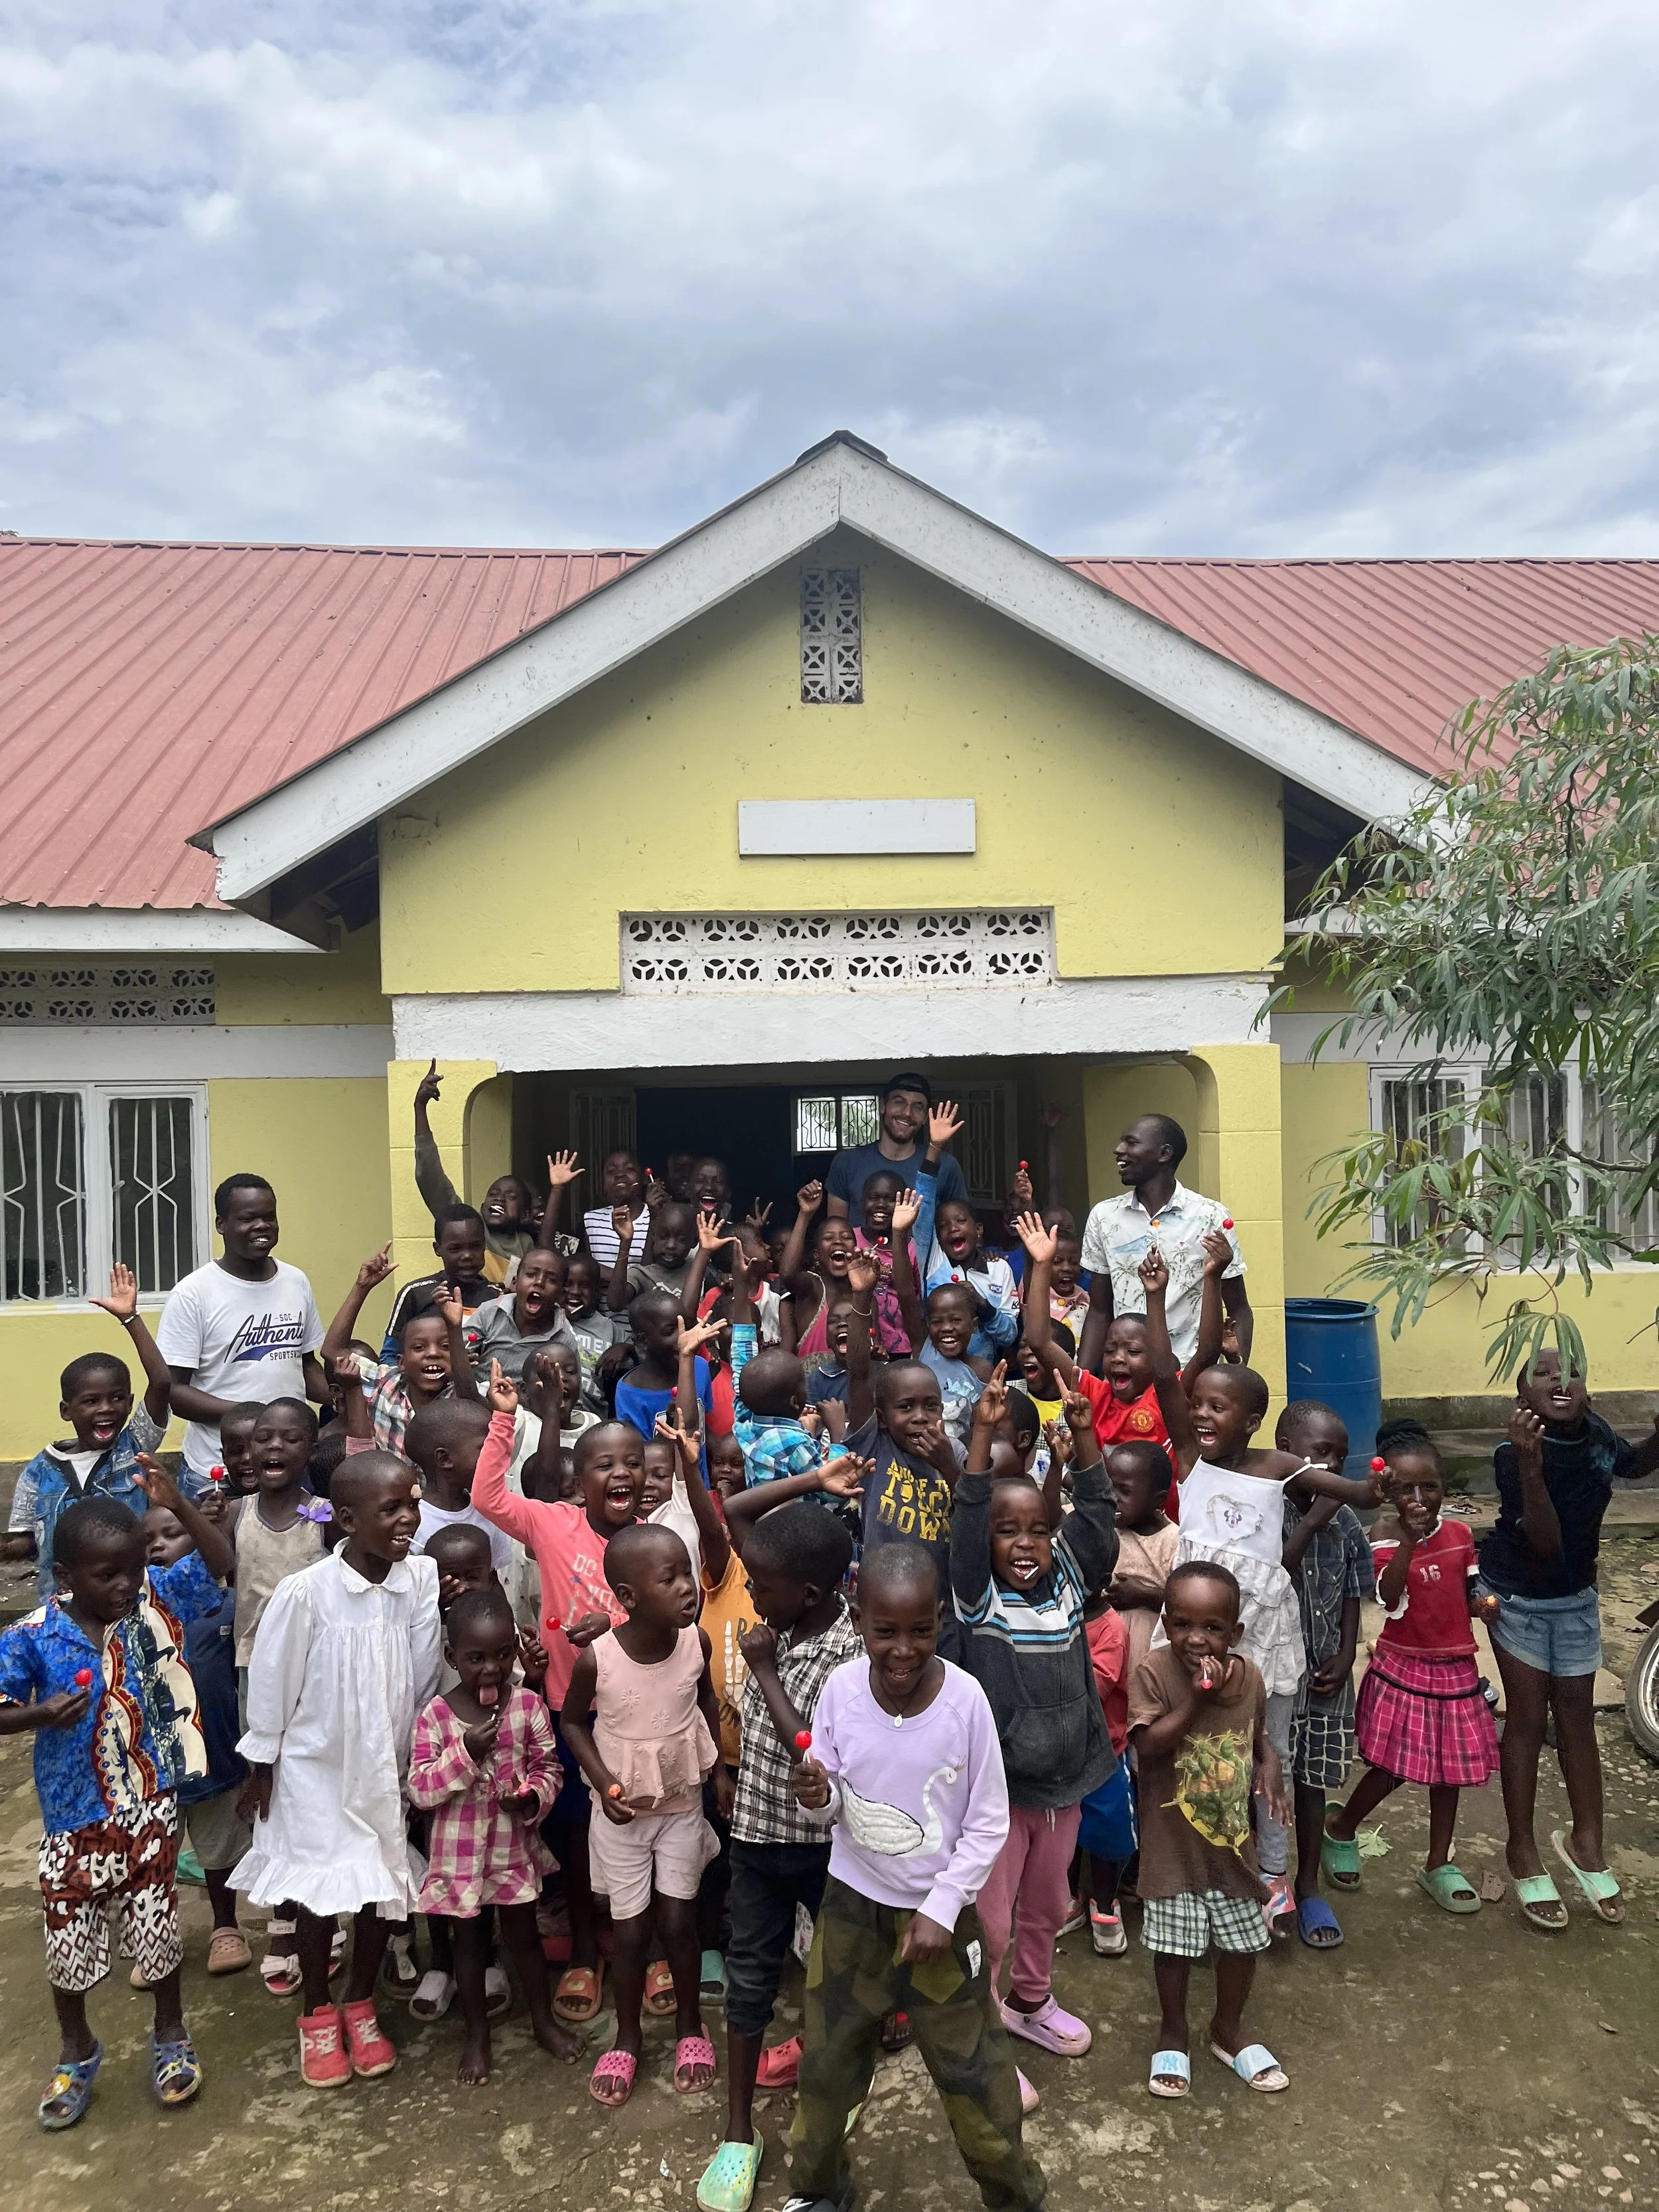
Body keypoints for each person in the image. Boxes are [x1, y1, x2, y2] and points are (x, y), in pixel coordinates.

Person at [786, 1542, 1045, 2212]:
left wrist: (941, 1906)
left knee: (976, 2077)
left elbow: (988, 1823)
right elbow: (837, 1793)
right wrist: (821, 1796)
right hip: (850, 1908)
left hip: (939, 1918)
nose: (902, 1649)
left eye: (920, 1631)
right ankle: (817, 2190)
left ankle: (1014, 2197)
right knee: (827, 2065)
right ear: (858, 1617)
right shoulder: (841, 1690)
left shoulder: (966, 1704)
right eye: (884, 1632)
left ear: (938, 1619)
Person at [1143, 1248, 1379, 1931]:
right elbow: (1164, 1372)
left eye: (1220, 1406)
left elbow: (1352, 1490)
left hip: (1262, 1636)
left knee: (1265, 1751)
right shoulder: (1187, 1460)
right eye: (1198, 1406)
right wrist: (1163, 1297)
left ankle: (1273, 1878)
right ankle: (1194, 1865)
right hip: (1191, 1626)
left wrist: (1377, 1489)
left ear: (1250, 1419)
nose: (1203, 1415)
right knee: (1194, 1745)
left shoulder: (1278, 1467)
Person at [0, 1463, 234, 2128]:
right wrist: (38, 1717)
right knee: (67, 1941)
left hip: (152, 1806)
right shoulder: (34, 1636)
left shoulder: (156, 1601)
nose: (126, 1584)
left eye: (133, 1568)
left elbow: (221, 1561)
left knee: (156, 1929)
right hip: (74, 1823)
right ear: (67, 1578)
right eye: (108, 1575)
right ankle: (77, 2049)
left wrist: (178, 1507)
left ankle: (170, 2033)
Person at [232, 1452, 443, 2088]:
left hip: (386, 1762)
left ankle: (360, 2001)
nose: (408, 1518)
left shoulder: (421, 1579)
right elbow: (272, 1681)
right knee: (321, 1893)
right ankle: (317, 2007)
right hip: (316, 1767)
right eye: (392, 1509)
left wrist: (417, 1757)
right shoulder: (308, 1592)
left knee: (383, 1885)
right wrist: (262, 1764)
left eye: (413, 1503)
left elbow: (425, 1671)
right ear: (347, 1519)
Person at [952, 1368, 1118, 2106]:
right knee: (991, 1921)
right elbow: (965, 1521)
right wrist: (982, 1437)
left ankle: (1029, 2002)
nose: (1025, 1543)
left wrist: (1084, 1436)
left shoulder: (1070, 1582)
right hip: (999, 1793)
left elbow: (1099, 1519)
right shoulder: (975, 1594)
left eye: (1038, 1530)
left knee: (1049, 1907)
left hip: (1067, 1782)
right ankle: (985, 2037)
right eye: (1007, 1530)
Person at [694, 1495, 863, 2212]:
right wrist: (726, 1772)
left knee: (834, 1985)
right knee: (750, 1977)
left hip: (828, 1850)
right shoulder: (778, 1627)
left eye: (762, 1588)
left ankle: (825, 2117)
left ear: (813, 1594)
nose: (754, 1598)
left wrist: (763, 1669)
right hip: (758, 1840)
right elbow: (747, 1725)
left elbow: (813, 1751)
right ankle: (738, 2131)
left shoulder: (849, 1656)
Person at [469, 1366, 647, 2026]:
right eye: (605, 1463)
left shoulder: (653, 1541)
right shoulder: (551, 1524)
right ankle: (583, 1947)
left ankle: (642, 1940)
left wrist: (617, 1625)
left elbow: (673, 1621)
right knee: (573, 1831)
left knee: (641, 1825)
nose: (620, 1473)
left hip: (637, 1712)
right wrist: (504, 1418)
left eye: (632, 1461)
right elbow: (487, 1496)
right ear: (581, 1479)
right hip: (566, 1711)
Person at [1477, 1352, 1659, 1931]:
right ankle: (1522, 1850)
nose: (1560, 1381)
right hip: (1518, 1597)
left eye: (1572, 1371)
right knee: (1529, 1720)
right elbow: (1545, 1546)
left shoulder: (1598, 1433)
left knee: (1578, 1717)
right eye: (1543, 1373)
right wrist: (1532, 1467)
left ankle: (1588, 1843)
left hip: (1576, 1597)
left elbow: (1631, 1466)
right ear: (1521, 1395)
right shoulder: (1512, 1454)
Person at [561, 1521, 733, 2108]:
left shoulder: (696, 1643)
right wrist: (604, 1783)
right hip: (622, 1816)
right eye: (671, 1578)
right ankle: (628, 2034)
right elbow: (572, 1723)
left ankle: (690, 2026)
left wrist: (718, 1771)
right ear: (629, 1598)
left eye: (688, 1572)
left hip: (682, 1805)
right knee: (632, 1931)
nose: (689, 1587)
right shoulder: (597, 1660)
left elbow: (703, 1701)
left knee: (680, 1924)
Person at [406, 1585, 584, 2083]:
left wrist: (530, 1796)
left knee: (524, 1938)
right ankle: (477, 2035)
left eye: (503, 1655)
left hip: (512, 1851)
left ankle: (543, 2021)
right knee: (470, 1945)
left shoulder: (527, 1706)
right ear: (452, 1656)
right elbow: (419, 1789)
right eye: (476, 1658)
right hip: (459, 1859)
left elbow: (549, 1767)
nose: (491, 1669)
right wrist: (464, 1751)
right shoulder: (437, 1717)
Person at [1323, 1430, 1500, 1918]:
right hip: (1406, 1665)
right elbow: (1389, 1597)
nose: (1419, 1499)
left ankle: (1439, 1861)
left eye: (1430, 1487)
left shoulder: (1462, 1536)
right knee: (1394, 1767)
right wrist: (1409, 1541)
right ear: (1386, 1491)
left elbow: (1468, 1589)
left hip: (1456, 1667)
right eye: (1406, 1489)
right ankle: (1341, 1827)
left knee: (1452, 1771)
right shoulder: (1382, 1534)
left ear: (1444, 1487)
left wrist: (1483, 1604)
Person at [1131, 1562, 1289, 2099]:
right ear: (1166, 1621)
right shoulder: (1154, 1671)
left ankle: (1227, 2027)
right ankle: (1172, 2029)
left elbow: (1257, 1733)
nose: (1195, 1638)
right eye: (1181, 1624)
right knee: (1174, 1948)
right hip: (1172, 1843)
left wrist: (1271, 1764)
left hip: (1231, 1842)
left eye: (1212, 1627)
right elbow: (1148, 1747)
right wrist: (1196, 1697)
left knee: (1242, 1942)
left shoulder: (1250, 1677)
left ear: (1235, 1633)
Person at [7, 1264, 172, 1593]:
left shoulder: (134, 1448)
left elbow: (163, 1382)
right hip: (62, 1610)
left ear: (130, 1403)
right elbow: (24, 1543)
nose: (106, 1409)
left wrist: (131, 1319)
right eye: (91, 1401)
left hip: (130, 1597)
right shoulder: (39, 1472)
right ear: (66, 1411)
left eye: (116, 1399)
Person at [156, 1174, 326, 1493]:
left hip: (289, 1467)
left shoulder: (296, 1281)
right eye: (248, 1218)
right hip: (217, 1473)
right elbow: (174, 1392)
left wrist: (351, 1394)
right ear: (221, 1224)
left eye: (269, 1216)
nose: (262, 1226)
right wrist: (258, 1418)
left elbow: (306, 1365)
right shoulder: (194, 1293)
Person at [143, 1493, 253, 1977]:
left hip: (212, 1752)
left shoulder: (221, 1604)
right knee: (154, 1854)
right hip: (151, 1765)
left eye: (173, 1534)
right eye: (147, 1541)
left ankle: (225, 1926)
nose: (159, 1547)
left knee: (218, 1850)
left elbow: (220, 1561)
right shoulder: (134, 1607)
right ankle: (157, 1934)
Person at [1273, 1402, 1370, 1951]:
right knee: (1265, 1781)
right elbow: (1275, 1569)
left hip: (1327, 1678)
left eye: (1339, 1454)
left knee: (1311, 1784)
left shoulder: (1348, 1520)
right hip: (1277, 1679)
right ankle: (1266, 1881)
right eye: (1318, 1452)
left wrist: (1347, 1652)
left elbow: (1356, 1583)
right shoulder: (1267, 1508)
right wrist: (1314, 1519)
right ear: (1284, 1444)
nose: (1331, 1464)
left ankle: (1307, 1885)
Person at [841, 1252, 966, 1660]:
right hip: (882, 1609)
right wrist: (862, 1298)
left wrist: (949, 1467)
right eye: (905, 1407)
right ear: (881, 1417)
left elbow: (978, 1512)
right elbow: (860, 1373)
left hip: (940, 1613)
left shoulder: (956, 1453)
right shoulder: (876, 1445)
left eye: (931, 1405)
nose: (919, 1417)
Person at [1076, 1115, 1250, 1371]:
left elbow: (1239, 1308)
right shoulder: (1103, 1217)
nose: (1119, 1149)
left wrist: (1237, 1373)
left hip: (1191, 1375)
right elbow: (1100, 1310)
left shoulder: (1211, 1216)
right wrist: (1083, 1384)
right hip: (1127, 1377)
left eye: (1131, 1143)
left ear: (1164, 1153)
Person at [328, 1251, 475, 1458]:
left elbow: (471, 1399)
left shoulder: (461, 1394)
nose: (433, 1354)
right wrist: (362, 1288)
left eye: (445, 1346)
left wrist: (454, 1327)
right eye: (419, 1348)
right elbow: (332, 1351)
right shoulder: (386, 1384)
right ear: (401, 1363)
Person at [411, 1059, 541, 1283]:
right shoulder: (471, 1227)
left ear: (525, 1215)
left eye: (511, 1197)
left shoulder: (527, 1244)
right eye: (493, 1194)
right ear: (481, 1209)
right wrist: (420, 1108)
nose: (499, 1199)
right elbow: (432, 1178)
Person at [823, 1072, 968, 1228]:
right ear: (882, 1106)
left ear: (925, 1118)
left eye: (918, 1107)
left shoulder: (945, 1165)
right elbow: (835, 1234)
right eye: (899, 1102)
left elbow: (961, 1226)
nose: (907, 1113)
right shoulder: (847, 1163)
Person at [383, 1206, 496, 1355]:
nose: (467, 1255)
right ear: (438, 1249)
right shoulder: (416, 1293)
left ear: (484, 1246)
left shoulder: (497, 1297)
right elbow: (389, 1356)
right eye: (456, 1249)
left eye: (475, 1246)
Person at [469, 1246, 578, 1382]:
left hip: (529, 1402)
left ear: (561, 1295)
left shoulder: (564, 1337)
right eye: (531, 1275)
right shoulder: (490, 1312)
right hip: (478, 1396)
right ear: (515, 1283)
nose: (539, 1282)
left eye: (551, 1280)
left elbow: (571, 1394)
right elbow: (460, 1357)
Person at [561, 1250, 628, 1411]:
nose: (575, 1292)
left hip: (593, 1415)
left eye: (584, 1286)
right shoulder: (549, 1319)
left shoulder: (608, 1328)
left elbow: (642, 1353)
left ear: (596, 1292)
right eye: (567, 1284)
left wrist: (625, 1348)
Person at [607, 1199, 697, 1310]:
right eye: (663, 1237)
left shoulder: (700, 1274)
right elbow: (615, 1305)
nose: (670, 1245)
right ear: (653, 1236)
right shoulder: (641, 1275)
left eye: (681, 1239)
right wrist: (625, 1242)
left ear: (694, 1241)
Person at [583, 1150, 651, 1269]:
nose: (620, 1175)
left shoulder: (655, 1218)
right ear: (603, 1183)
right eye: (612, 1171)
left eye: (629, 1169)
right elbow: (587, 1269)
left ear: (644, 1179)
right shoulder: (591, 1221)